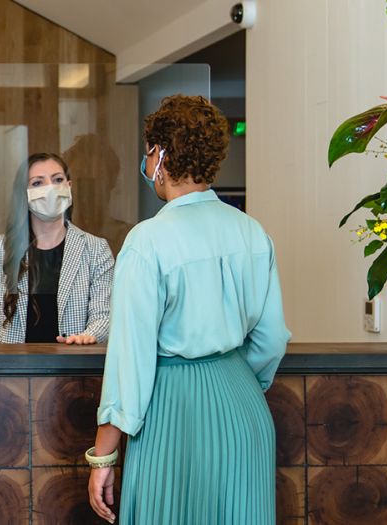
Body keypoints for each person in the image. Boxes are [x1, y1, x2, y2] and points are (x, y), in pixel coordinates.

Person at [86, 95, 290, 524]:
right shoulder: (252, 232)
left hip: (173, 412)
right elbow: (271, 338)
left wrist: (103, 457)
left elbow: (130, 360)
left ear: (159, 154)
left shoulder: (147, 241)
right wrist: (232, 380)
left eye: (148, 152)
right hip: (243, 404)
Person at [0, 152, 114, 344]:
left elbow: (104, 317)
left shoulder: (96, 249)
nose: (50, 189)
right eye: (38, 183)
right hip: (11, 371)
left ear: (69, 187)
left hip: (74, 368)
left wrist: (87, 337)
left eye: (57, 180)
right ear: (24, 194)